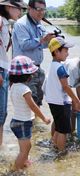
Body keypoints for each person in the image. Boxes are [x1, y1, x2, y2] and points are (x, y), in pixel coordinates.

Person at [8, 55, 51, 176]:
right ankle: (16, 170)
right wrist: (44, 118)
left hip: (17, 122)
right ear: (26, 75)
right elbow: (33, 106)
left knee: (28, 146)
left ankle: (24, 162)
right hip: (22, 123)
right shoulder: (25, 89)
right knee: (24, 149)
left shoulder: (14, 87)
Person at [43, 37, 80, 151]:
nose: (67, 54)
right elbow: (66, 86)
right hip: (61, 103)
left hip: (52, 102)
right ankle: (61, 152)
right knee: (63, 131)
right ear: (56, 51)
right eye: (65, 51)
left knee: (58, 127)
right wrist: (77, 101)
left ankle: (55, 147)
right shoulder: (61, 68)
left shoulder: (52, 66)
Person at [12, 0, 56, 107]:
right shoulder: (21, 24)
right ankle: (31, 123)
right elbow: (25, 45)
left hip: (37, 68)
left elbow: (42, 44)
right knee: (29, 104)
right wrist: (43, 39)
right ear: (29, 9)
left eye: (43, 9)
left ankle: (36, 123)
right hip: (24, 71)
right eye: (38, 9)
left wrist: (52, 40)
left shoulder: (39, 24)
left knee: (38, 102)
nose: (41, 12)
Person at [0, 0, 27, 147]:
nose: (21, 12)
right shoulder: (0, 21)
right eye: (19, 9)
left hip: (4, 71)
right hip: (0, 71)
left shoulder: (5, 22)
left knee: (2, 113)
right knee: (0, 113)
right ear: (8, 6)